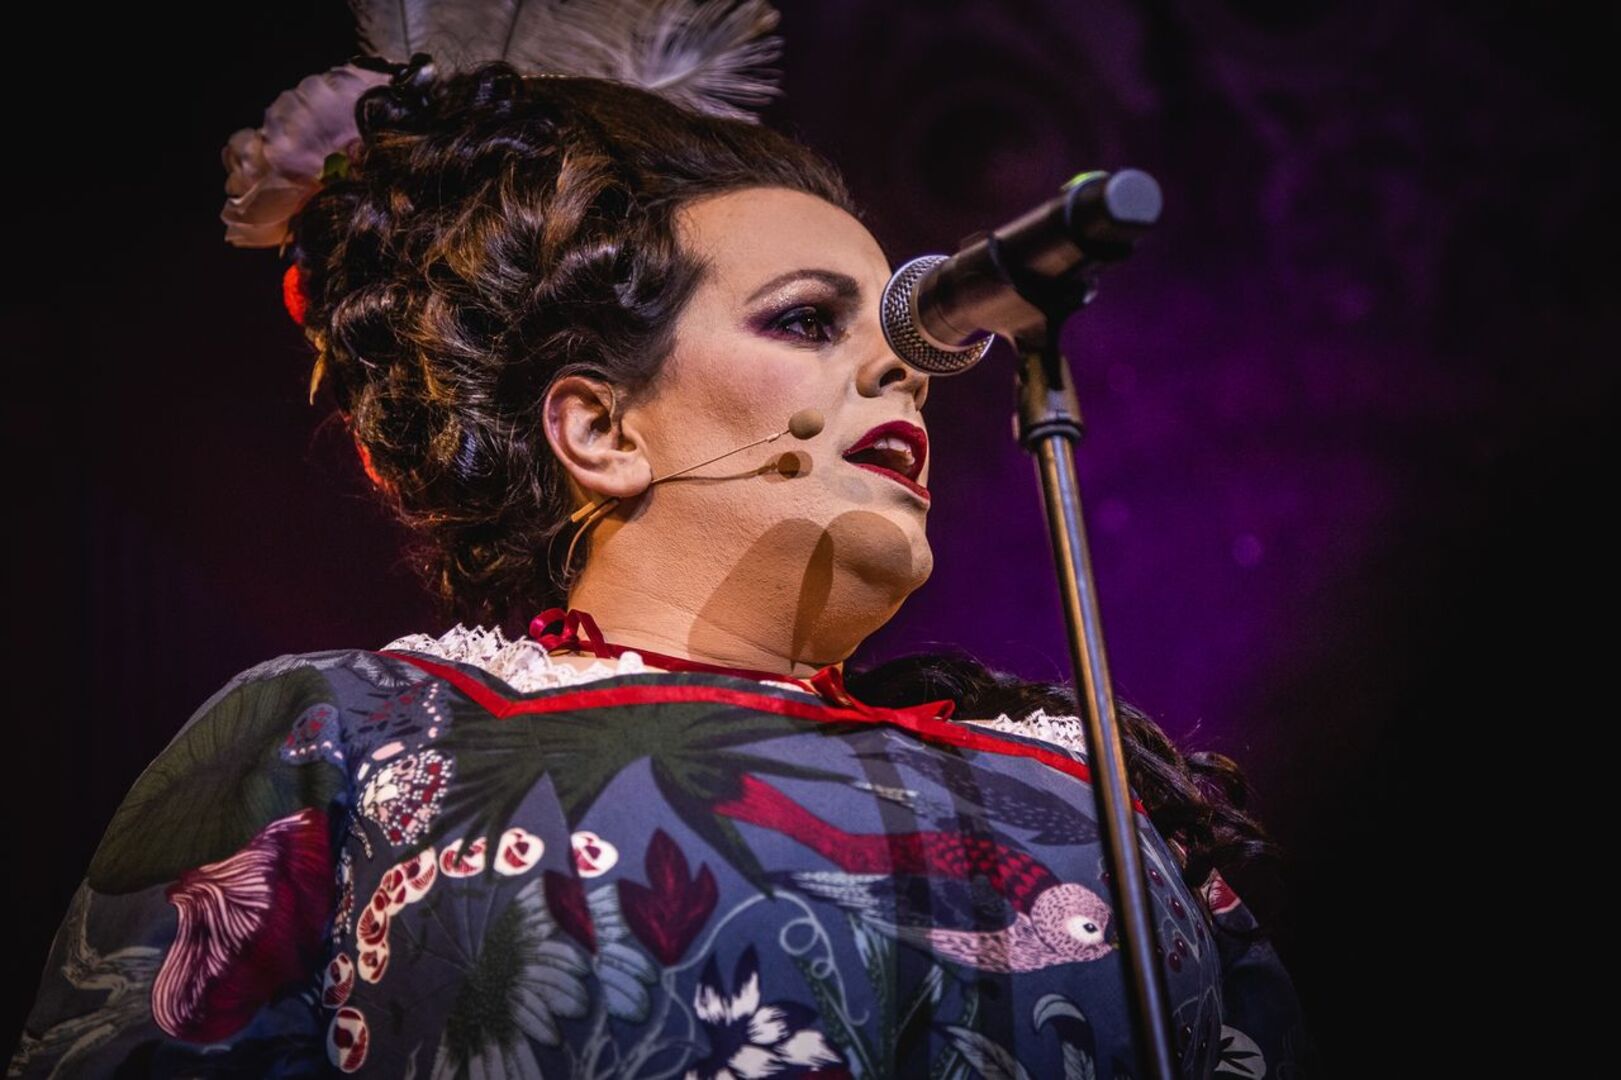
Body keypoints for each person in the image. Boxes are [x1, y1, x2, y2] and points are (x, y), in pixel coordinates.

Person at [10, 5, 1317, 1077]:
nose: (904, 368)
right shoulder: (354, 736)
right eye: (807, 320)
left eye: (906, 331)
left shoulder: (1094, 795)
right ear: (598, 427)